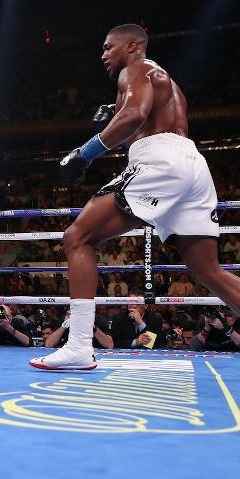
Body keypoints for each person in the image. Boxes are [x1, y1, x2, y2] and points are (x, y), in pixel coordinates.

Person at [31, 23, 239, 369]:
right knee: (207, 269)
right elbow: (142, 127)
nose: (103, 55)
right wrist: (111, 122)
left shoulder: (136, 68)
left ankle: (79, 346)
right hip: (192, 165)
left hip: (161, 162)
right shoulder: (168, 84)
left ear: (131, 46)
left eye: (107, 47)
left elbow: (135, 115)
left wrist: (84, 153)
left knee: (77, 237)